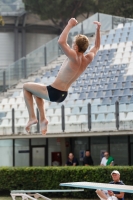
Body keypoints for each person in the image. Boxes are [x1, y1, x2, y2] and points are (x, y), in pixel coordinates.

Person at [23, 18, 101, 135]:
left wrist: (69, 25)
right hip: (63, 94)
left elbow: (61, 42)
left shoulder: (73, 56)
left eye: (73, 44)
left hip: (54, 91)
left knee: (25, 87)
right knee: (36, 92)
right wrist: (98, 30)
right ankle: (43, 119)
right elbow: (97, 46)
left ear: (75, 47)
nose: (71, 45)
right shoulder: (87, 59)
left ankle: (32, 117)